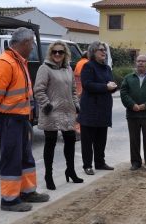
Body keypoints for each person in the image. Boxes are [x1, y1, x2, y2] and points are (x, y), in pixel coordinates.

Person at [0, 27, 50, 212]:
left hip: (20, 119)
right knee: (11, 158)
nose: (34, 47)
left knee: (25, 157)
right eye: (33, 43)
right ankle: (9, 200)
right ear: (26, 42)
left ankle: (27, 192)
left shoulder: (18, 62)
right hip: (9, 119)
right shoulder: (5, 63)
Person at [34, 40, 84, 190]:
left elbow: (74, 90)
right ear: (50, 53)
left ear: (65, 54)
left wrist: (76, 104)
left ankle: (71, 171)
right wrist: (46, 105)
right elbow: (38, 89)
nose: (57, 54)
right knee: (50, 143)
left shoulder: (68, 68)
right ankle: (48, 175)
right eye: (54, 51)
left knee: (70, 141)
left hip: (67, 111)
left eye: (60, 52)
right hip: (52, 111)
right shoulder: (45, 68)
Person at [77, 41, 117, 175]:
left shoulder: (107, 68)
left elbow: (112, 83)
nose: (104, 52)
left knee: (101, 138)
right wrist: (106, 87)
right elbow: (87, 85)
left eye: (104, 50)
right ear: (93, 52)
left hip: (104, 108)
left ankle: (100, 162)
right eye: (101, 50)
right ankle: (87, 165)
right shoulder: (88, 66)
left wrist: (112, 87)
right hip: (90, 108)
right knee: (88, 140)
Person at [120, 54, 146, 174]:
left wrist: (145, 106)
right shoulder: (129, 78)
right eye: (138, 61)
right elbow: (123, 93)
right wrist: (132, 105)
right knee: (134, 139)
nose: (140, 63)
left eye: (143, 61)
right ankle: (135, 162)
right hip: (132, 114)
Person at [73, 51, 89, 140]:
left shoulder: (79, 62)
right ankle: (79, 130)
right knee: (80, 111)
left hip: (77, 88)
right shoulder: (87, 63)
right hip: (83, 89)